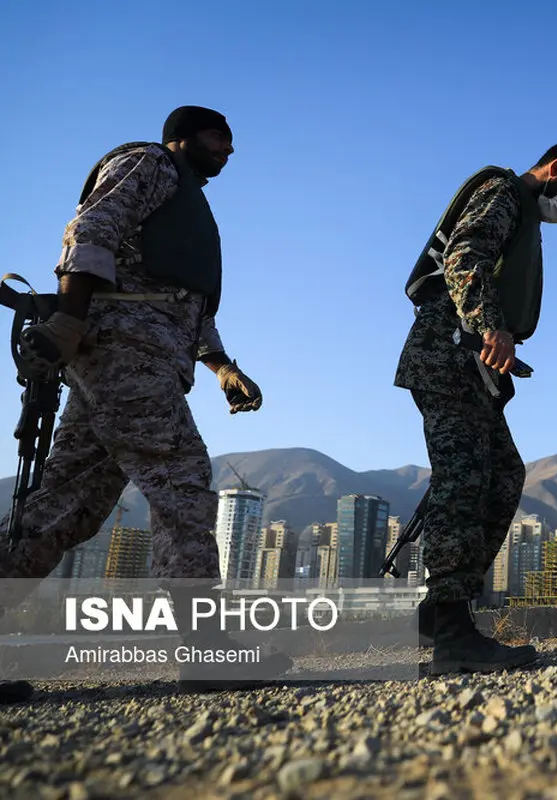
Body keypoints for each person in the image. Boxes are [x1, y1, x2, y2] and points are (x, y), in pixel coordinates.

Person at [0, 105, 291, 705]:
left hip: (140, 356)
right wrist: (70, 320)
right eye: (218, 137)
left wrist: (221, 367)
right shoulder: (149, 164)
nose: (228, 150)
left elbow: (188, 304)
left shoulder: (187, 201)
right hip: (122, 350)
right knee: (181, 481)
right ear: (180, 138)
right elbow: (92, 228)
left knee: (63, 509)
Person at [395, 134, 557, 675]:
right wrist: (490, 326)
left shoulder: (525, 217)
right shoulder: (503, 192)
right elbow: (464, 256)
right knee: (463, 480)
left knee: (503, 475)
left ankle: (441, 611)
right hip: (447, 355)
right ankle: (451, 631)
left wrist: (500, 348)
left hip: (474, 366)